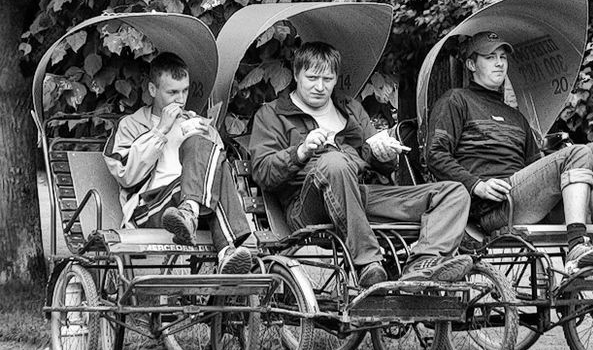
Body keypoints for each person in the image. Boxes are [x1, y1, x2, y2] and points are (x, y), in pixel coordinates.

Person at [249, 42, 473, 288]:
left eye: (328, 78)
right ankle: (367, 263)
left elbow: (380, 162)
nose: (320, 87)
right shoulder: (272, 115)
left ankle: (423, 263)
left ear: (336, 79)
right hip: (307, 205)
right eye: (312, 78)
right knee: (333, 162)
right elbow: (262, 172)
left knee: (454, 192)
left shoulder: (350, 109)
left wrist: (384, 153)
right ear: (296, 74)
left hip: (361, 195)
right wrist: (300, 151)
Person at [426, 31, 593, 273]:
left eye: (503, 57)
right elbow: (435, 154)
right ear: (471, 64)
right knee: (577, 153)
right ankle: (576, 245)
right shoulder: (455, 100)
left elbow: (536, 166)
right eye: (490, 57)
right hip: (491, 208)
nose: (500, 63)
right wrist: (476, 184)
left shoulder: (516, 116)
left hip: (522, 197)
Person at [104, 52, 253, 274]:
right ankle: (226, 247)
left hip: (195, 209)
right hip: (150, 208)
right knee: (202, 162)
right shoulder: (131, 125)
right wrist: (161, 130)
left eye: (185, 91)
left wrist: (209, 138)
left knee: (203, 147)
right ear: (153, 90)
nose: (181, 99)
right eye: (172, 92)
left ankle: (194, 217)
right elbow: (126, 175)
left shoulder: (196, 122)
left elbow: (220, 173)